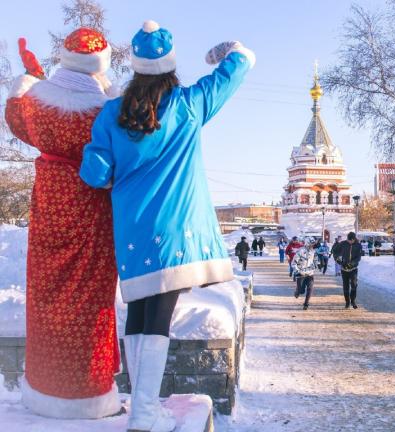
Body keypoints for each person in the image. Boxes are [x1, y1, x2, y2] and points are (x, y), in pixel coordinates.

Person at [80, 20, 255, 431]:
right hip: (178, 231)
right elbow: (241, 63)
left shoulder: (111, 114)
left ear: (137, 68)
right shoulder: (189, 104)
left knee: (141, 316)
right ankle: (144, 413)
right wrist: (225, 49)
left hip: (134, 232)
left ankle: (146, 406)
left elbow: (95, 173)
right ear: (170, 67)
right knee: (158, 318)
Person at [4, 30, 122, 418]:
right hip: (92, 205)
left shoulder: (37, 103)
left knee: (47, 294)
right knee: (92, 298)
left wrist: (29, 79)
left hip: (50, 204)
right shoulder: (106, 110)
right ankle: (90, 392)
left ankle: (46, 388)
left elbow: (16, 115)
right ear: (101, 64)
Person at [333, 232, 363, 309]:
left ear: (353, 239)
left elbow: (358, 257)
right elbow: (334, 251)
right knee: (345, 286)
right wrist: (337, 259)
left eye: (350, 240)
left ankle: (353, 300)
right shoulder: (343, 243)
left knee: (354, 285)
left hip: (353, 269)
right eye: (348, 240)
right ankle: (347, 302)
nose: (349, 241)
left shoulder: (358, 245)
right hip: (344, 268)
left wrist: (352, 263)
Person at [292, 237, 319, 309]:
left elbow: (316, 261)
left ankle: (306, 304)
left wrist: (316, 265)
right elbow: (294, 263)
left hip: (310, 274)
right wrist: (297, 270)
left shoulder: (314, 252)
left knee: (310, 288)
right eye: (311, 244)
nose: (312, 246)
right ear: (307, 243)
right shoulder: (300, 251)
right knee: (301, 291)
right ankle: (297, 291)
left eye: (313, 244)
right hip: (301, 274)